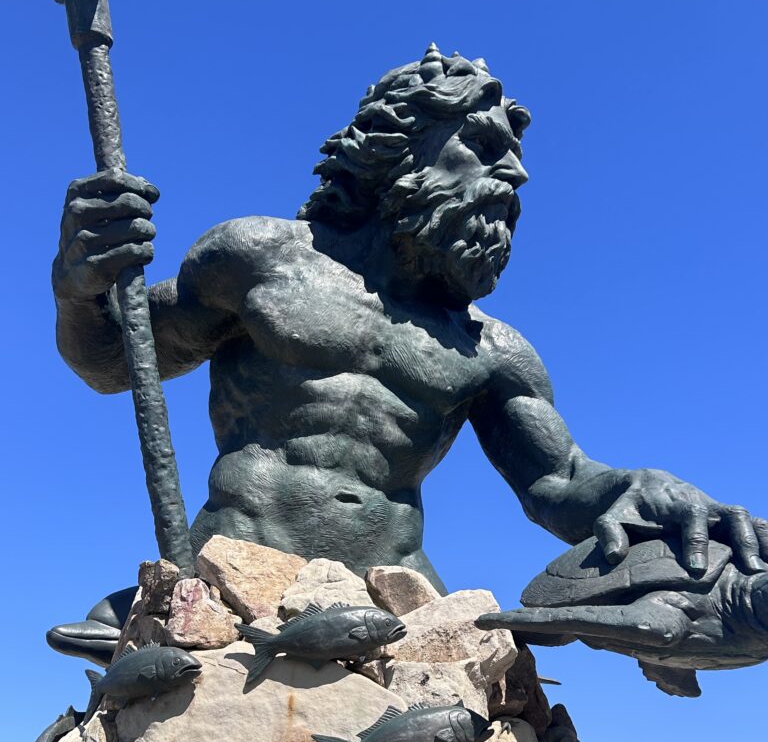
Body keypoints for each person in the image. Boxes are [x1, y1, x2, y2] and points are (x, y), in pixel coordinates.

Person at [50, 45, 767, 658]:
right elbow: (116, 365)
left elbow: (559, 486)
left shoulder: (494, 350)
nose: (514, 178)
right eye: (485, 146)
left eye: (514, 158)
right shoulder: (259, 258)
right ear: (402, 145)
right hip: (232, 583)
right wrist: (79, 289)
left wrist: (635, 489)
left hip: (395, 607)